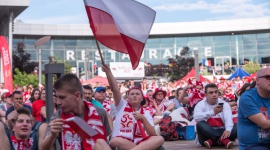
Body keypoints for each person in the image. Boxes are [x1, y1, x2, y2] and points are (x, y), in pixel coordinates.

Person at [41, 73, 111, 150]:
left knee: (100, 142)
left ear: (77, 96)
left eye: (62, 97)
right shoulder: (58, 116)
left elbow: (105, 142)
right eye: (57, 97)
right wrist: (52, 135)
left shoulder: (99, 113)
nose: (58, 102)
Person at [102, 64, 164, 150]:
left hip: (140, 142)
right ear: (127, 97)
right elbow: (115, 89)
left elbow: (152, 133)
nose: (134, 96)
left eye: (137, 94)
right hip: (123, 141)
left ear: (142, 98)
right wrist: (108, 72)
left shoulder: (145, 113)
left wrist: (143, 119)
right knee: (114, 140)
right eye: (132, 94)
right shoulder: (122, 105)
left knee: (159, 138)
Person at [194, 83, 237, 149]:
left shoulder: (224, 104)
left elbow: (228, 118)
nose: (214, 95)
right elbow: (196, 117)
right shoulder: (200, 104)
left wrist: (228, 130)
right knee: (200, 124)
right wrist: (212, 112)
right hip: (206, 136)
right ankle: (222, 140)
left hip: (224, 133)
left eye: (216, 92)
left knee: (237, 125)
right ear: (206, 95)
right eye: (211, 93)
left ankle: (213, 141)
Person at [238, 68, 270, 150]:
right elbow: (265, 124)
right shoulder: (247, 98)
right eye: (267, 77)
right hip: (253, 145)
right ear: (258, 80)